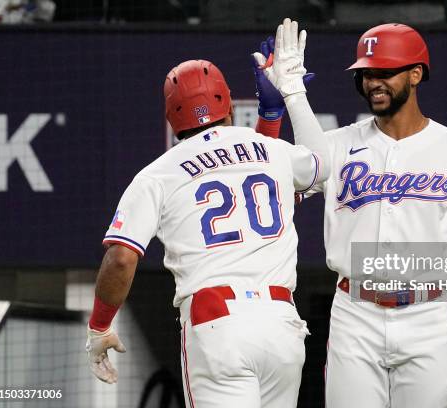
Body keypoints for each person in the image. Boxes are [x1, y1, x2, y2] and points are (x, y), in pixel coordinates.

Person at [253, 21, 447, 407]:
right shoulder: (336, 145)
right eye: (366, 73)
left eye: (385, 72)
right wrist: (273, 113)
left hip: (427, 317)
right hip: (355, 313)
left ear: (416, 74)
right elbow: (265, 190)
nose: (373, 81)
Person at [85, 28, 330, 408]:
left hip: (217, 323)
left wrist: (99, 325)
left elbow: (121, 258)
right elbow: (320, 166)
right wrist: (289, 96)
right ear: (228, 105)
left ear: (171, 117)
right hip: (282, 324)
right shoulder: (271, 149)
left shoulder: (157, 174)